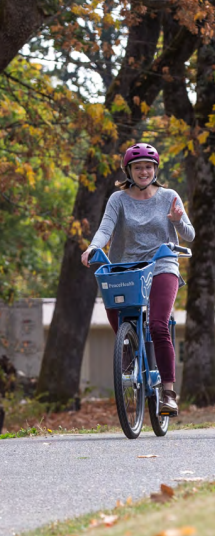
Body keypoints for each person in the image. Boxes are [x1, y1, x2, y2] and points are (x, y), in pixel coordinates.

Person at [80, 142, 195, 417]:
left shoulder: (169, 197)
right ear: (128, 171)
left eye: (148, 167)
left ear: (155, 169)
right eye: (138, 167)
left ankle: (168, 394)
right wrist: (93, 247)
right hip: (126, 267)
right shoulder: (118, 199)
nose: (143, 172)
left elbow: (189, 235)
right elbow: (105, 229)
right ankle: (130, 353)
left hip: (162, 264)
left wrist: (177, 221)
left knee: (158, 324)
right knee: (117, 315)